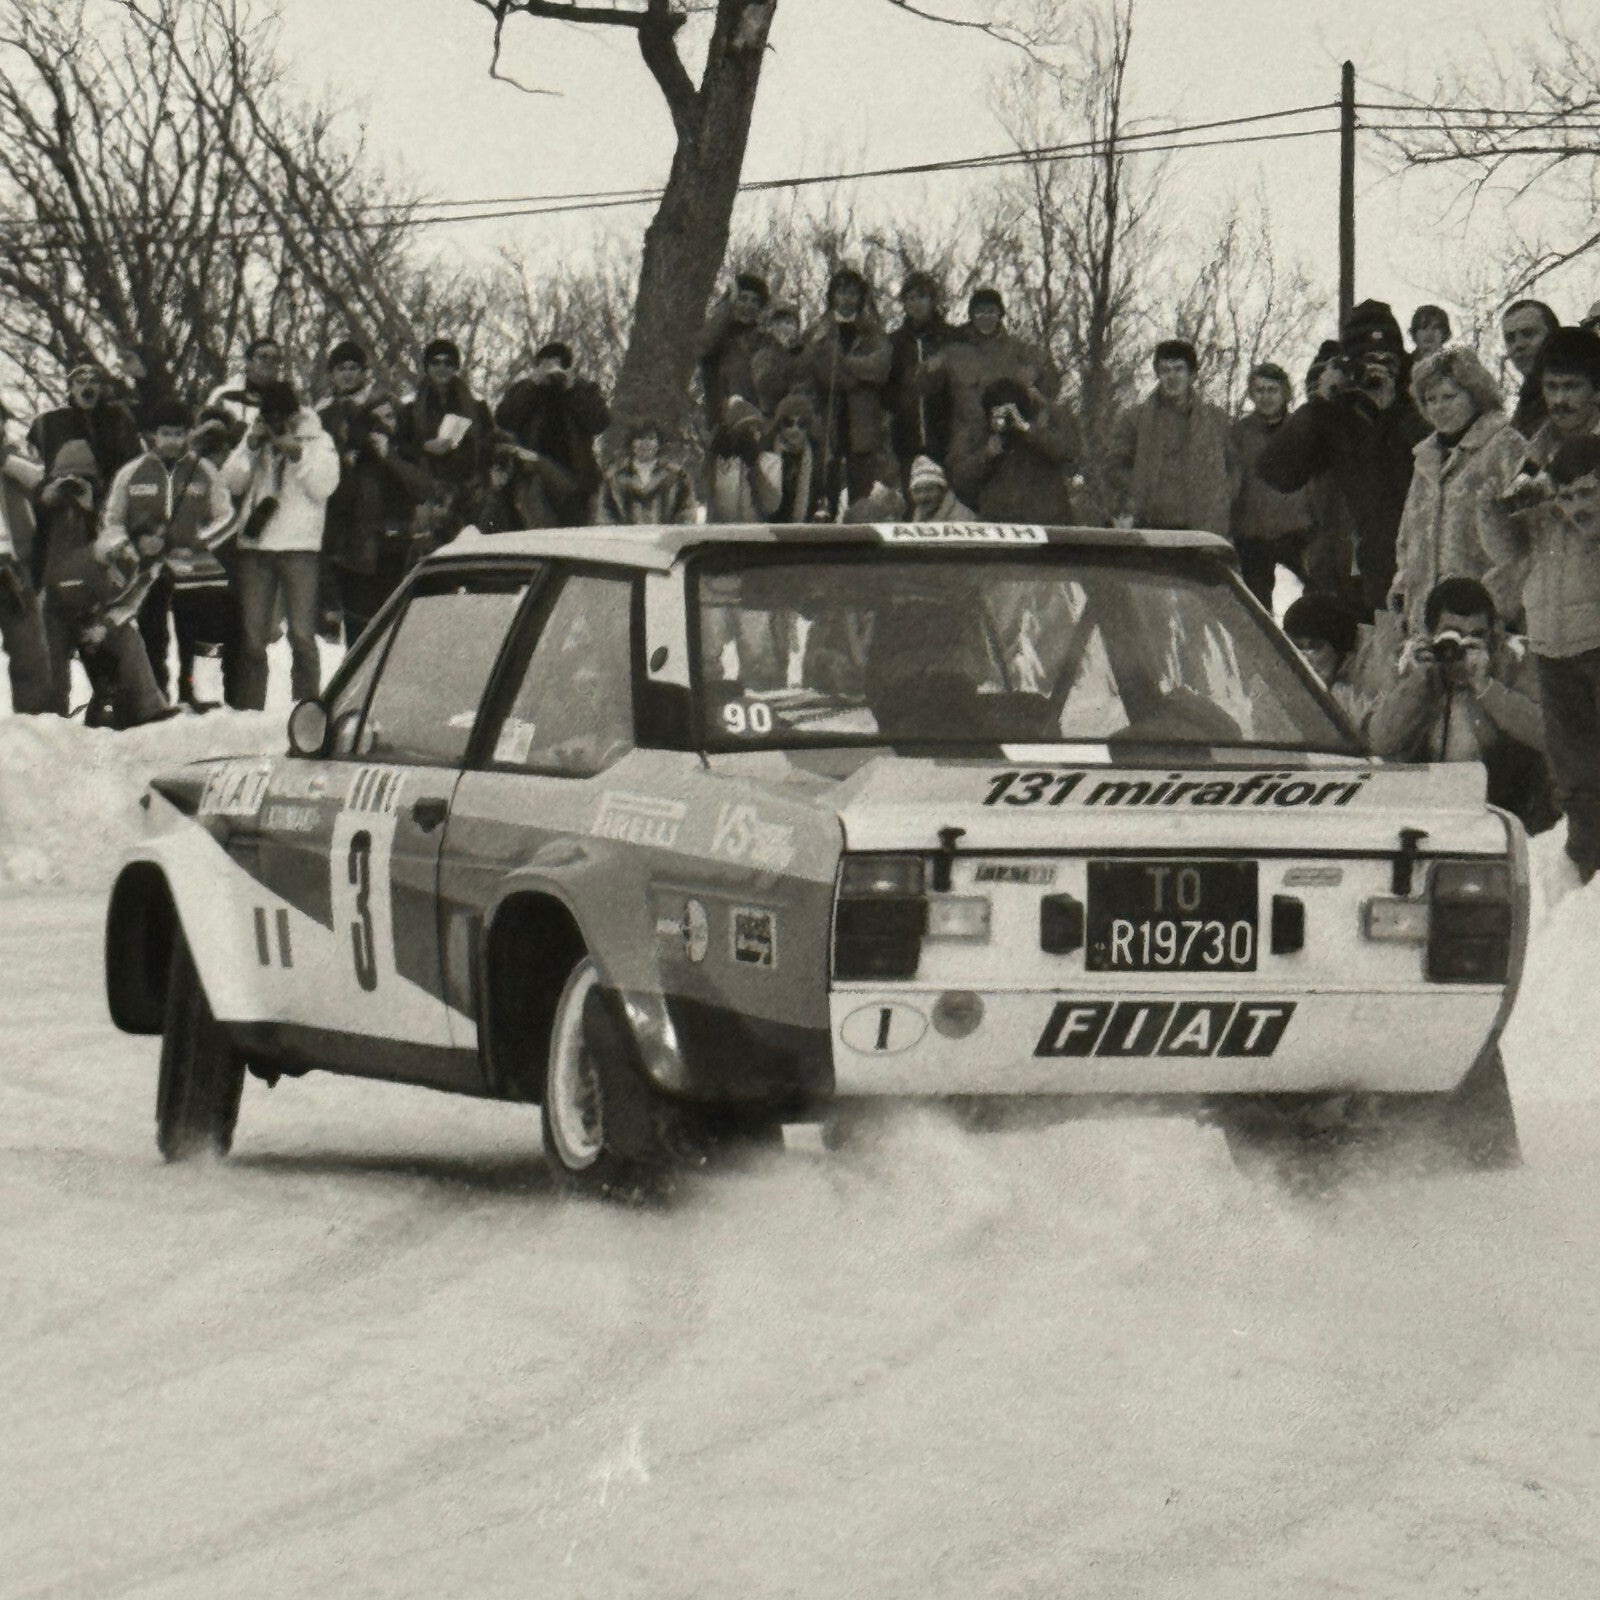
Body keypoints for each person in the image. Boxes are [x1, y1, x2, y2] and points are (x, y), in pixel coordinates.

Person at [1256, 299, 1430, 619]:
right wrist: (1320, 402)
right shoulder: (1335, 416)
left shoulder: (1420, 403)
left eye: (1386, 360)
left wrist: (1391, 411)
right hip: (1338, 577)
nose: (1376, 371)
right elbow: (1276, 472)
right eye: (1366, 362)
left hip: (1404, 575)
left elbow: (1429, 467)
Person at [1482, 425, 1600, 878]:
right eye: (1567, 497)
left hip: (1595, 647)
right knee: (1572, 765)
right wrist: (1494, 508)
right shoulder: (1546, 519)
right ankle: (1587, 864)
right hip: (1553, 651)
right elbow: (1505, 550)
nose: (1576, 507)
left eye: (1588, 493)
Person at [1368, 576, 1555, 834]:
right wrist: (1419, 682)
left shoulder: (1514, 659)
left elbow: (1548, 734)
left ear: (1493, 632)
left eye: (1476, 636)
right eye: (1452, 635)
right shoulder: (1408, 662)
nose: (1463, 647)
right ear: (1431, 634)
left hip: (1505, 810)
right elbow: (1380, 741)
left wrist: (1486, 686)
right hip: (1425, 813)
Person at [99, 399, 235, 707]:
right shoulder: (131, 473)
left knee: (199, 636)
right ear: (152, 435)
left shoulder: (204, 470)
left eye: (178, 433)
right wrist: (133, 547)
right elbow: (112, 523)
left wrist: (199, 543)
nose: (172, 440)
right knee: (151, 634)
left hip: (195, 570)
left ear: (188, 434)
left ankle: (197, 693)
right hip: (147, 571)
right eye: (165, 433)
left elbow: (226, 518)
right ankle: (154, 696)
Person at [1389, 346, 1527, 639]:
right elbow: (1407, 538)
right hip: (1426, 623)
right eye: (1430, 400)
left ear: (1475, 394)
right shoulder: (1425, 459)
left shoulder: (1505, 446)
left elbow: (1523, 539)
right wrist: (1404, 590)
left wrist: (1497, 606)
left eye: (1448, 397)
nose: (1438, 407)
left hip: (1481, 623)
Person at [220, 379, 339, 710]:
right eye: (268, 417)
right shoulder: (255, 439)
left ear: (295, 414)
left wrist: (297, 454)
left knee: (302, 635)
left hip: (300, 546)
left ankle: (307, 707)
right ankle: (249, 711)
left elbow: (324, 487)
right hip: (257, 547)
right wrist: (250, 447)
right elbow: (230, 482)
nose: (276, 423)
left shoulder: (318, 440)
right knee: (253, 638)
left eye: (281, 416)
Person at [319, 345, 434, 644]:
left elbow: (413, 458)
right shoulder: (324, 414)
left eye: (353, 367)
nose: (347, 374)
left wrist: (387, 451)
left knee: (388, 622)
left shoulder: (389, 405)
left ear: (364, 372)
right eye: (340, 368)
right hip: (346, 530)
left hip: (389, 525)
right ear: (331, 374)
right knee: (356, 625)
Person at [917, 287, 1057, 508]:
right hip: (966, 434)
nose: (986, 317)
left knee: (1006, 490)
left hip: (1007, 433)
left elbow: (1051, 381)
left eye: (992, 311)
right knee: (964, 488)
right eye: (980, 311)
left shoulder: (1018, 350)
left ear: (1000, 314)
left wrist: (1036, 375)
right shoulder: (955, 351)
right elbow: (925, 388)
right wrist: (929, 370)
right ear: (971, 315)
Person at [40, 535, 176, 727]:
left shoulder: (148, 571)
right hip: (60, 612)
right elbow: (65, 594)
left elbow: (129, 605)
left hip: (98, 612)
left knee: (130, 639)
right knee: (55, 665)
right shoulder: (86, 562)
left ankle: (148, 707)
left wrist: (105, 626)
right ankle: (52, 722)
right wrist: (87, 630)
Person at [1109, 339, 1230, 536]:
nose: (1171, 377)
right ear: (1157, 374)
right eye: (1165, 370)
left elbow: (1234, 468)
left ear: (1192, 374)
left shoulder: (1216, 421)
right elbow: (1115, 464)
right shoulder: (1135, 419)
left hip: (1200, 526)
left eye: (1178, 369)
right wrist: (1132, 496)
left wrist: (1221, 499)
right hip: (1149, 523)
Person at [803, 267, 895, 513]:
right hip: (828, 418)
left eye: (853, 293)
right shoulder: (819, 331)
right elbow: (818, 371)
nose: (847, 299)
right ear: (833, 295)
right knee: (824, 489)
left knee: (861, 492)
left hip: (863, 421)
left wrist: (845, 363)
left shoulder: (872, 331)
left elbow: (880, 367)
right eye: (842, 293)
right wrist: (855, 374)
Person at [493, 341, 609, 528]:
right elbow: (504, 419)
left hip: (576, 475)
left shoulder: (584, 389)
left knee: (575, 527)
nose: (552, 372)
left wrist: (572, 389)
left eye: (557, 366)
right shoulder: (524, 389)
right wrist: (533, 386)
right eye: (545, 365)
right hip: (533, 473)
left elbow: (600, 422)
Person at [1226, 361, 1314, 606]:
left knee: (1314, 595)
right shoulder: (1239, 433)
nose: (1266, 397)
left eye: (1272, 390)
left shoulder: (1302, 429)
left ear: (1284, 392)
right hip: (1253, 534)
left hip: (1296, 532)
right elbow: (1231, 483)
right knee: (1256, 606)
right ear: (1252, 394)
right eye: (1260, 390)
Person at [398, 337, 494, 533]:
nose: (442, 367)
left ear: (456, 367)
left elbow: (489, 440)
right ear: (427, 366)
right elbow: (399, 447)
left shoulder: (476, 404)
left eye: (448, 363)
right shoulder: (409, 405)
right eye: (436, 362)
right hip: (427, 488)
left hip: (470, 487)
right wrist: (424, 447)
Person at [950, 378, 1074, 524]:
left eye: (1011, 412)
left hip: (1047, 523)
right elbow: (959, 479)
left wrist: (1028, 429)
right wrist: (987, 455)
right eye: (1001, 413)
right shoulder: (977, 436)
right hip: (1001, 526)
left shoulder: (1045, 426)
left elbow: (1068, 453)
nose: (1007, 419)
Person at [0, 408, 53, 714]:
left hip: (17, 567)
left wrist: (5, 460)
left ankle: (36, 724)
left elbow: (44, 483)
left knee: (29, 650)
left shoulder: (15, 459)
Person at [886, 271, 957, 486]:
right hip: (906, 439)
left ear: (933, 300)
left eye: (922, 297)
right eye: (910, 298)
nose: (916, 303)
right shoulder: (894, 342)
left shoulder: (951, 338)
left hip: (946, 438)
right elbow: (887, 390)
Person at [28, 363, 142, 488]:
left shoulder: (117, 417)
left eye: (93, 381)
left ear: (100, 387)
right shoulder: (55, 421)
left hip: (113, 486)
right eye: (81, 381)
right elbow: (39, 456)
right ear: (72, 388)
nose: (88, 385)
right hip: (71, 488)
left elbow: (133, 455)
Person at [1282, 590, 1372, 730]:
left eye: (1315, 647)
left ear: (1339, 650)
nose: (1304, 657)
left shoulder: (1365, 688)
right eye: (1297, 647)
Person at [697, 272, 770, 430]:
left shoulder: (764, 341)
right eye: (742, 299)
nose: (748, 306)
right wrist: (726, 306)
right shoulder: (719, 336)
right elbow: (703, 346)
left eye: (755, 301)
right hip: (720, 424)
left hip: (756, 424)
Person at [596, 424, 698, 525]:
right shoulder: (614, 477)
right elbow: (605, 512)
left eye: (651, 439)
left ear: (658, 443)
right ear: (631, 443)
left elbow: (687, 510)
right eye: (639, 439)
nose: (645, 444)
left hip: (666, 538)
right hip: (626, 539)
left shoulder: (677, 476)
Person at [706, 397, 781, 524]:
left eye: (756, 428)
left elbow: (772, 505)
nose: (754, 434)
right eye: (746, 431)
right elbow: (722, 508)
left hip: (758, 535)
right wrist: (717, 459)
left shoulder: (771, 462)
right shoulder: (723, 464)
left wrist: (754, 466)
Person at [204, 337, 287, 442]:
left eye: (275, 359)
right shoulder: (224, 395)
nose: (269, 362)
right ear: (249, 362)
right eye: (263, 357)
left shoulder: (284, 404)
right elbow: (206, 437)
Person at [1502, 299, 1560, 438]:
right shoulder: (1524, 408)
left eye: (1528, 333)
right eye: (1510, 339)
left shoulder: (1585, 390)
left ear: (1553, 336)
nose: (1518, 345)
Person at [750, 301, 815, 420]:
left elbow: (811, 377)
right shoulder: (763, 354)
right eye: (778, 322)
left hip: (801, 416)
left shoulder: (805, 352)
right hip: (771, 415)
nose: (785, 326)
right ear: (770, 328)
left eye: (790, 322)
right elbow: (765, 385)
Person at [907, 454, 974, 522]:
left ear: (943, 490)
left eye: (929, 489)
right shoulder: (919, 514)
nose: (923, 496)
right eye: (917, 491)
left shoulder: (962, 517)